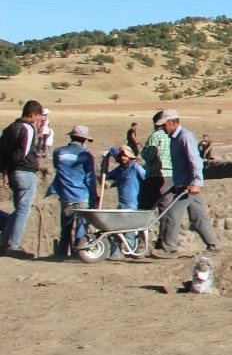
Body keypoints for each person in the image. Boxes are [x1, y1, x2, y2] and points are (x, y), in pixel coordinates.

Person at [155, 109, 221, 254]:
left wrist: (196, 183)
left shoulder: (185, 137)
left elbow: (195, 160)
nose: (162, 128)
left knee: (172, 213)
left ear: (173, 122)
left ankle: (168, 248)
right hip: (181, 184)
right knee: (197, 217)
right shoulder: (174, 138)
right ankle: (214, 245)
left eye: (164, 125)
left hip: (188, 186)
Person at [2, 100, 47, 258]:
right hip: (24, 171)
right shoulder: (27, 128)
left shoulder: (9, 128)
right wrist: (18, 162)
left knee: (19, 209)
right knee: (23, 210)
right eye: (38, 116)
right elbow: (23, 151)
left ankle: (4, 244)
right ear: (32, 114)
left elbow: (2, 152)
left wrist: (5, 171)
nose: (38, 119)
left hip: (13, 173)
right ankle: (13, 246)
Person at [48, 125, 100, 258]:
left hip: (66, 195)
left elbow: (57, 168)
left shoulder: (58, 152)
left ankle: (61, 253)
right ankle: (78, 253)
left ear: (71, 136)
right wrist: (94, 197)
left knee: (65, 227)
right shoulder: (87, 156)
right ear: (84, 139)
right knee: (81, 227)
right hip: (82, 195)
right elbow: (90, 179)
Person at [104, 146, 146, 258]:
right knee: (114, 230)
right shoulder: (119, 170)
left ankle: (131, 252)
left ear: (130, 157)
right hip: (121, 205)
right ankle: (116, 254)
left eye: (125, 155)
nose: (122, 158)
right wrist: (105, 160)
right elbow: (105, 176)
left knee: (128, 231)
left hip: (132, 205)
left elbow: (146, 179)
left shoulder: (136, 168)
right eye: (120, 156)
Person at [139, 109, 172, 210]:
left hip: (155, 175)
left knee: (145, 207)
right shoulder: (174, 135)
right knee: (165, 209)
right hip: (171, 176)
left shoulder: (156, 135)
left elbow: (149, 156)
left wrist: (144, 151)